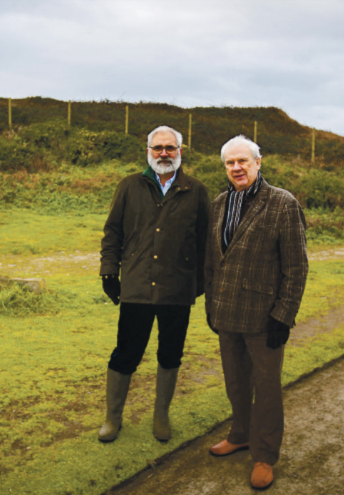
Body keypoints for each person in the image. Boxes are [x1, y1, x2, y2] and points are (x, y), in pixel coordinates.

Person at [204, 135, 309, 489]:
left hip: (265, 318)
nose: (236, 168)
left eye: (243, 161)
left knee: (266, 389)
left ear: (258, 162)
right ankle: (240, 434)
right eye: (230, 163)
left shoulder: (283, 203)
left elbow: (296, 267)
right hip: (226, 313)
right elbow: (212, 262)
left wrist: (284, 314)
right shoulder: (219, 204)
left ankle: (264, 454)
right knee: (236, 382)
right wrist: (210, 306)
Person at [98, 125, 211, 443]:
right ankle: (113, 418)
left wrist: (198, 283)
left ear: (180, 151)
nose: (164, 153)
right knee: (125, 354)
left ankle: (161, 416)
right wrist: (109, 272)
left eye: (170, 148)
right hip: (136, 287)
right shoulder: (129, 186)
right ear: (148, 151)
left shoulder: (197, 191)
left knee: (170, 354)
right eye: (158, 148)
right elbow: (113, 233)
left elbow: (206, 242)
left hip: (177, 290)